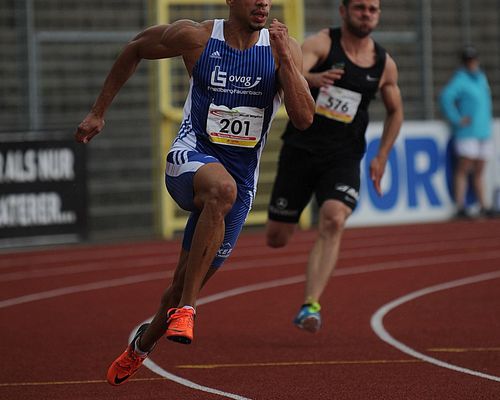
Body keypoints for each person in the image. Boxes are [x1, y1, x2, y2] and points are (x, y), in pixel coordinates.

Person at [75, 0, 314, 386]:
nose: (262, 3)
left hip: (240, 184)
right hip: (190, 158)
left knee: (184, 279)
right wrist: (98, 111)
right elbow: (136, 46)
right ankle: (189, 309)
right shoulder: (198, 37)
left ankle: (142, 345)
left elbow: (304, 118)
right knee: (222, 190)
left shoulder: (282, 48)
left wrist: (285, 59)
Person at [266, 0, 403, 333]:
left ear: (378, 15)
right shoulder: (322, 43)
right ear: (343, 11)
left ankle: (310, 305)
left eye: (373, 9)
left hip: (343, 156)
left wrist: (382, 154)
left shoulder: (384, 64)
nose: (366, 14)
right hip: (300, 150)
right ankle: (288, 222)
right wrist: (314, 78)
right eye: (359, 8)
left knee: (334, 217)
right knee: (277, 238)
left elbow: (395, 111)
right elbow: (290, 74)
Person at [439, 45, 494, 219]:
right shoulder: (460, 80)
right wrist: (457, 118)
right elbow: (445, 98)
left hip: (483, 131)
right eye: (468, 60)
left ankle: (483, 205)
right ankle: (460, 205)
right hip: (467, 132)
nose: (472, 63)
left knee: (479, 170)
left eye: (473, 59)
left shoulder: (481, 78)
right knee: (464, 168)